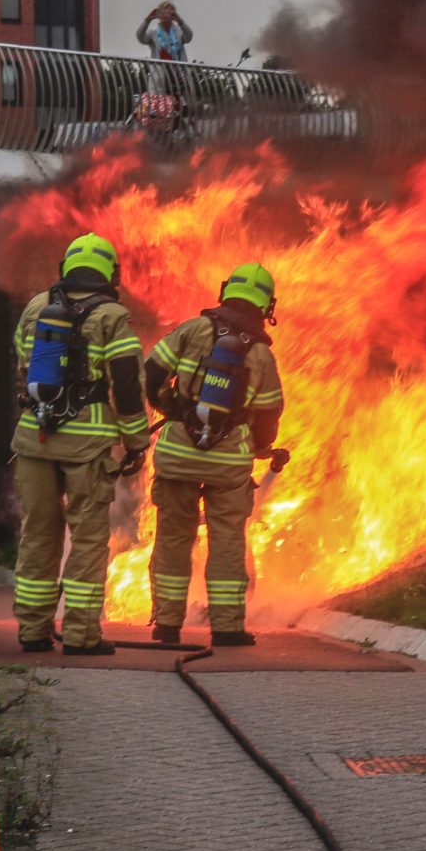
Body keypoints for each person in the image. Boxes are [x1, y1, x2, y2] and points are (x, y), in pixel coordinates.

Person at [10, 232, 150, 656]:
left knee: (38, 533)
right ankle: (81, 635)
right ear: (111, 273)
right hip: (86, 448)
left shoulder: (36, 308)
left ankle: (32, 631)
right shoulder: (111, 316)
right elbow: (126, 385)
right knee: (87, 539)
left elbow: (21, 365)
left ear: (65, 268)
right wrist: (136, 440)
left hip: (34, 439)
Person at [142, 262, 284, 645]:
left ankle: (167, 624)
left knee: (173, 536)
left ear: (226, 291)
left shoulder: (192, 330)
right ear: (266, 305)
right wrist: (258, 448)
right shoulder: (261, 355)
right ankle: (226, 628)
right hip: (229, 463)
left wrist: (171, 407)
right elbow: (270, 411)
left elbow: (151, 373)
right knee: (226, 540)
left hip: (178, 454)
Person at [136, 0, 193, 97]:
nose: (166, 15)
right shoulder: (153, 32)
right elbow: (141, 37)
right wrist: (147, 20)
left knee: (180, 105)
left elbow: (189, 37)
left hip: (178, 75)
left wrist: (180, 21)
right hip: (159, 76)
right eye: (163, 12)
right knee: (160, 105)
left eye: (169, 12)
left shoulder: (178, 31)